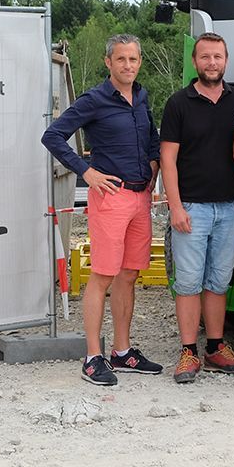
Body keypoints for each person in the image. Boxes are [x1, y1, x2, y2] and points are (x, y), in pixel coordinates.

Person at [42, 34, 162, 386]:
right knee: (103, 275)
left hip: (140, 197)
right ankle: (93, 357)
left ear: (140, 62)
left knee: (129, 274)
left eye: (133, 59)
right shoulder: (94, 99)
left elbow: (152, 140)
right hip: (111, 197)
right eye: (121, 59)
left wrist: (153, 169)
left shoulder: (141, 97)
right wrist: (87, 172)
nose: (128, 65)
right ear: (108, 62)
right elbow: (52, 135)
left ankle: (122, 351)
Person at [159, 32, 234, 383]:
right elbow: (168, 159)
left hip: (229, 209)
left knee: (218, 282)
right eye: (205, 57)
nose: (212, 63)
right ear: (195, 61)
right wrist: (176, 207)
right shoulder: (178, 103)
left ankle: (215, 347)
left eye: (218, 57)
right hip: (191, 210)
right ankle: (188, 352)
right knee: (188, 283)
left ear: (226, 61)